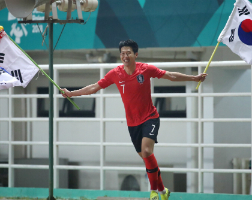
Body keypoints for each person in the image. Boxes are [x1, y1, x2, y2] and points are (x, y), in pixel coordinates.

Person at [61, 39, 207, 200]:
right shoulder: (115, 74)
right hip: (132, 123)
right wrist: (71, 93)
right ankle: (163, 191)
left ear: (135, 54)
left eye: (128, 53)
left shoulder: (145, 69)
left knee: (146, 151)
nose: (125, 56)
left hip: (150, 118)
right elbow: (94, 87)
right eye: (122, 53)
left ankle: (153, 192)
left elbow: (170, 75)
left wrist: (194, 78)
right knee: (147, 158)